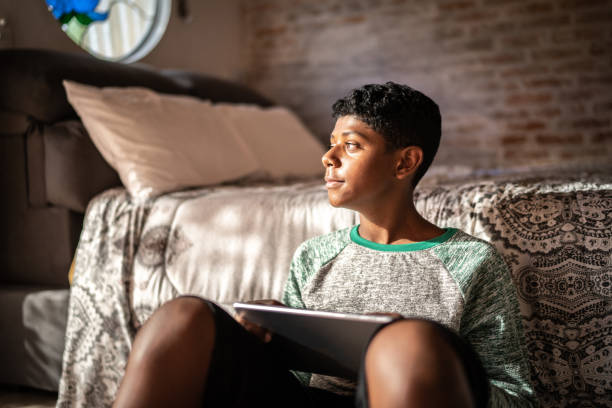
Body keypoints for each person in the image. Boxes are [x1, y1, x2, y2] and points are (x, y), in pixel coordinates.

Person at [112, 82, 536, 408]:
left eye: (351, 145)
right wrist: (273, 337)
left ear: (404, 162)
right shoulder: (314, 256)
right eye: (332, 143)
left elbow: (515, 396)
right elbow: (291, 384)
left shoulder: (472, 262)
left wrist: (406, 345)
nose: (328, 158)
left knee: (405, 343)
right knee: (182, 316)